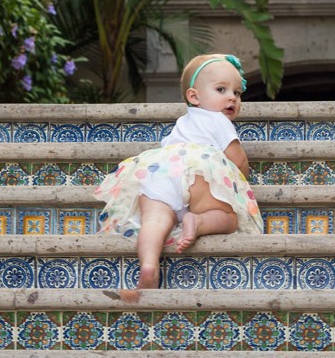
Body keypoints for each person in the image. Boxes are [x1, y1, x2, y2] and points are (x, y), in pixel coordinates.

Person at [94, 53, 263, 290]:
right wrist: (237, 186)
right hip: (200, 173)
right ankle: (199, 221)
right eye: (221, 89)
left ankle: (149, 265)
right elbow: (237, 161)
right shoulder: (219, 121)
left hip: (159, 169)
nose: (232, 98)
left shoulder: (182, 124)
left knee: (155, 219)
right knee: (228, 218)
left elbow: (173, 156)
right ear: (193, 96)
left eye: (237, 93)